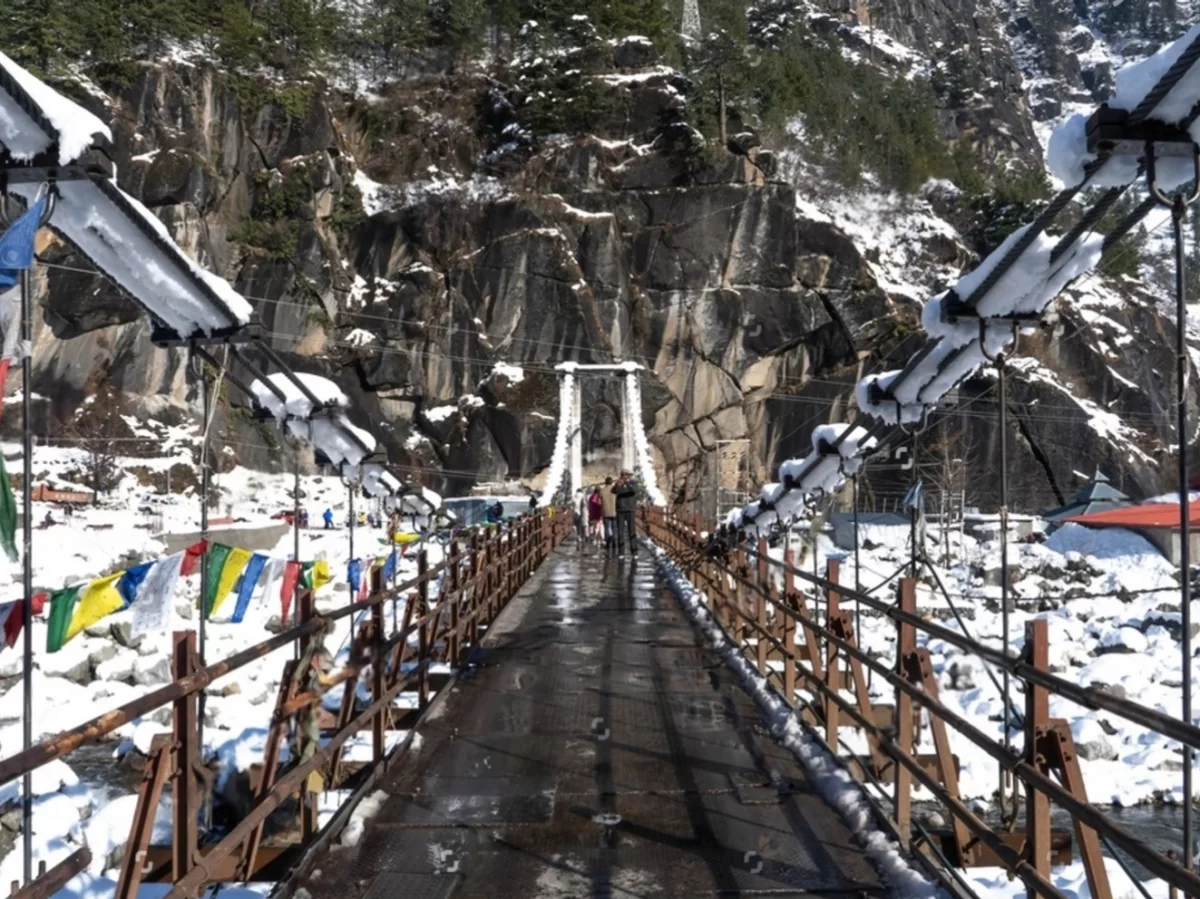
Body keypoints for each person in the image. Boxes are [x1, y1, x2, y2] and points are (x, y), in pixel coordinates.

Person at [613, 470, 638, 557]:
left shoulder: (632, 483)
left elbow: (633, 490)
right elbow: (614, 491)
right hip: (620, 509)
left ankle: (634, 552)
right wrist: (618, 484)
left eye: (625, 475)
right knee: (620, 532)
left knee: (632, 531)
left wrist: (626, 483)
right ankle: (621, 552)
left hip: (630, 509)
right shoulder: (619, 483)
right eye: (622, 475)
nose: (623, 476)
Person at [600, 476, 618, 553]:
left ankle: (607, 542)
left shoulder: (602, 491)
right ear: (612, 482)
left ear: (605, 482)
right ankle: (614, 542)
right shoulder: (615, 490)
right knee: (614, 527)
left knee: (607, 528)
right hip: (614, 511)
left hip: (605, 512)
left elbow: (599, 502)